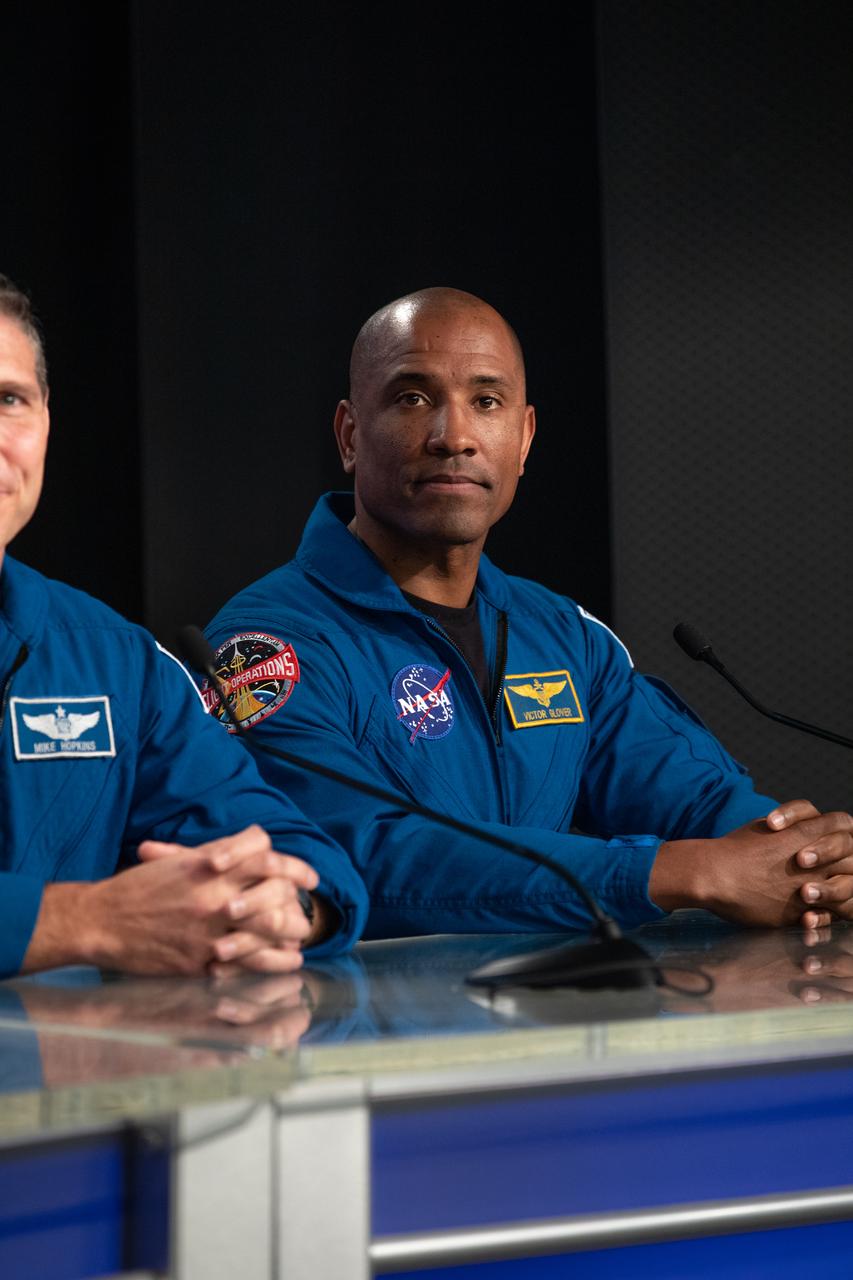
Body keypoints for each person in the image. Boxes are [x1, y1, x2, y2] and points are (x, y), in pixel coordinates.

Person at [205, 287, 853, 939]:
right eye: (413, 398)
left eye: (486, 402)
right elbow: (348, 858)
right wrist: (675, 872)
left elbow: (699, 799)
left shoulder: (562, 635)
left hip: (552, 999)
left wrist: (805, 864)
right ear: (350, 436)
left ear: (523, 438)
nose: (454, 437)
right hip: (369, 1002)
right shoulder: (265, 648)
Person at [0, 274, 367, 977]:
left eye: (9, 400)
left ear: (47, 420)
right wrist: (86, 922)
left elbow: (301, 857)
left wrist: (284, 908)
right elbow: (100, 922)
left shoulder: (117, 661)